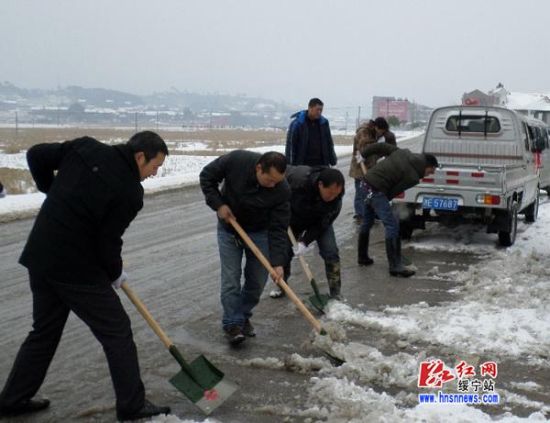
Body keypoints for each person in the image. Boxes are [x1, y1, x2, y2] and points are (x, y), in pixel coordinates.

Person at [0, 131, 171, 421]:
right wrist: (115, 272)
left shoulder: (84, 148)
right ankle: (131, 405)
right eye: (154, 167)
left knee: (44, 331)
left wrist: (51, 191)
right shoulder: (130, 192)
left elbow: (36, 155)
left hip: (41, 256)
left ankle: (13, 398)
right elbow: (107, 242)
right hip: (76, 269)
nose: (154, 174)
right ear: (140, 156)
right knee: (117, 332)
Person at [199, 150, 290, 345]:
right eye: (270, 180)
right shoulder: (236, 161)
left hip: (260, 232)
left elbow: (279, 228)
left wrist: (278, 262)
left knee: (257, 281)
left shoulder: (282, 190)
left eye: (277, 181)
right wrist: (219, 205)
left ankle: (242, 315)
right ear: (259, 168)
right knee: (231, 280)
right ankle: (233, 324)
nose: (273, 185)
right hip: (229, 228)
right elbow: (207, 176)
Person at [357, 143, 438, 277]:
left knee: (367, 222)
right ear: (426, 166)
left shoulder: (403, 152)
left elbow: (382, 147)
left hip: (366, 184)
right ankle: (395, 266)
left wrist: (363, 154)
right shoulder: (412, 177)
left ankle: (362, 257)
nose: (429, 175)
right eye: (430, 172)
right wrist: (381, 203)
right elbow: (393, 191)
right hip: (377, 191)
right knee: (392, 225)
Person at [270, 167, 345, 300]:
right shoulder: (298, 180)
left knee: (331, 252)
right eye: (330, 193)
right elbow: (277, 182)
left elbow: (323, 224)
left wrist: (305, 241)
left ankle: (336, 293)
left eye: (336, 194)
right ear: (320, 185)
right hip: (292, 219)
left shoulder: (336, 200)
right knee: (284, 252)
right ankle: (282, 285)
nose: (333, 197)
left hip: (318, 222)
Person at [285, 98, 337, 167]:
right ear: (310, 108)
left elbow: (329, 142)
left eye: (321, 110)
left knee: (335, 176)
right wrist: (290, 165)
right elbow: (291, 145)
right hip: (303, 165)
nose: (319, 112)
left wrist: (333, 160)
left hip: (322, 164)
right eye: (317, 109)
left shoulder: (323, 123)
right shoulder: (298, 124)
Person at [349, 120, 376, 221]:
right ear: (373, 126)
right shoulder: (363, 133)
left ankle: (364, 213)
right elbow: (362, 151)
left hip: (366, 167)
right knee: (360, 192)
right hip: (360, 168)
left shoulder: (370, 132)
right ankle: (360, 214)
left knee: (365, 192)